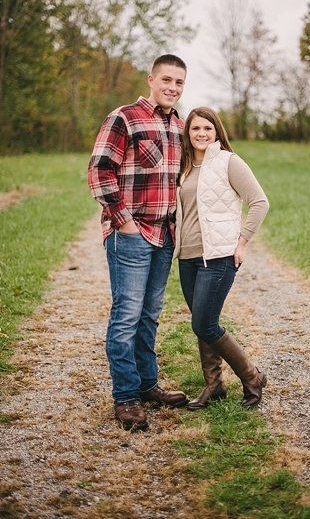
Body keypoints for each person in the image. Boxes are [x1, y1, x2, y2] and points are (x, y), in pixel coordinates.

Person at [88, 54, 190, 431]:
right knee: (126, 317)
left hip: (164, 235)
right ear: (151, 79)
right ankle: (126, 396)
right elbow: (99, 170)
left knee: (149, 316)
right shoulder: (125, 117)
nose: (173, 88)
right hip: (131, 235)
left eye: (179, 83)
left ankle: (148, 386)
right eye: (166, 80)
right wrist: (124, 223)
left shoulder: (179, 124)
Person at [175, 107, 269, 410]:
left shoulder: (229, 161)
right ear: (187, 133)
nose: (201, 134)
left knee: (204, 324)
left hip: (218, 256)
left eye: (208, 128)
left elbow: (259, 202)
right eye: (195, 129)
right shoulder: (184, 166)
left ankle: (252, 377)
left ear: (217, 132)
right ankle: (214, 385)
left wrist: (242, 242)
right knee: (202, 323)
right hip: (187, 257)